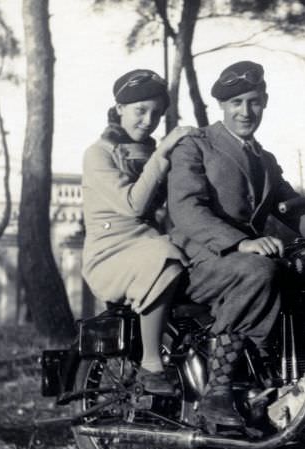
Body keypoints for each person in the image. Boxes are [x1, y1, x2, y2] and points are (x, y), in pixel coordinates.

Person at [167, 60, 305, 429]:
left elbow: (293, 211)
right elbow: (186, 209)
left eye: (253, 102)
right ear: (222, 106)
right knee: (259, 270)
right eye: (237, 103)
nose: (246, 111)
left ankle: (286, 391)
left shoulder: (265, 160)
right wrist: (242, 243)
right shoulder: (196, 146)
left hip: (239, 263)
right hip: (197, 261)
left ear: (265, 102)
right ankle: (218, 392)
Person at [82, 69, 196, 396]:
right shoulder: (98, 154)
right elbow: (134, 205)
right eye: (140, 111)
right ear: (119, 107)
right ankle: (151, 365)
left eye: (157, 114)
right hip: (111, 254)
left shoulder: (149, 151)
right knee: (164, 257)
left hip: (149, 245)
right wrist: (162, 155)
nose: (148, 121)